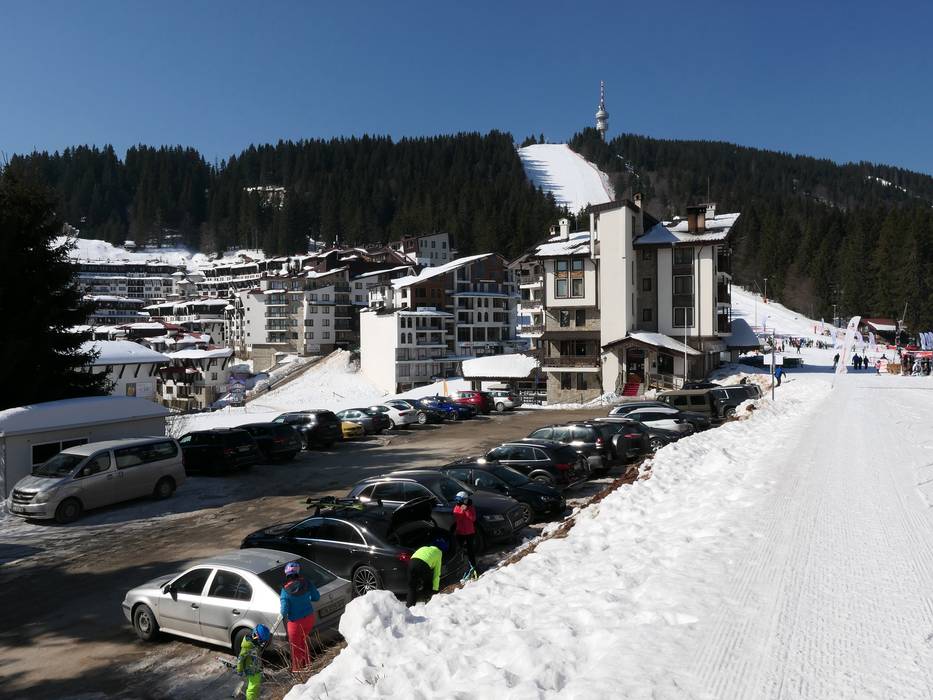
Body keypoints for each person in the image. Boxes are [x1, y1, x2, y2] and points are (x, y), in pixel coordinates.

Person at [280, 561, 320, 673]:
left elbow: (284, 611)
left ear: (286, 574)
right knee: (303, 641)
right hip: (309, 619)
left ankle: (297, 671)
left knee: (295, 648)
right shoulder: (306, 582)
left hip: (295, 623)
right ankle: (307, 666)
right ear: (298, 572)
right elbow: (316, 597)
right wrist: (306, 600)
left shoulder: (285, 590)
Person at [406, 539, 447, 607]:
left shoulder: (424, 547)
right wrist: (435, 590)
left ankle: (409, 607)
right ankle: (428, 603)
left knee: (412, 587)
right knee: (428, 584)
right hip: (423, 564)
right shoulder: (439, 553)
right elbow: (437, 573)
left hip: (411, 563)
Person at [237, 624, 270, 700]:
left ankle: (254, 698)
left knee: (256, 686)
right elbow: (240, 659)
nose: (262, 643)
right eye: (261, 641)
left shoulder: (255, 643)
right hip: (251, 670)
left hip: (256, 668)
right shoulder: (247, 647)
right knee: (252, 688)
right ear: (256, 636)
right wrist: (239, 670)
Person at [452, 491, 478, 576]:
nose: (458, 502)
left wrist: (466, 510)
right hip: (460, 532)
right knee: (458, 549)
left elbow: (473, 518)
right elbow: (457, 518)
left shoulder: (470, 507)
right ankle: (459, 567)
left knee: (470, 551)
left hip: (469, 532)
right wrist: (461, 510)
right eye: (458, 501)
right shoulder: (457, 507)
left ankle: (473, 567)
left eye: (460, 500)